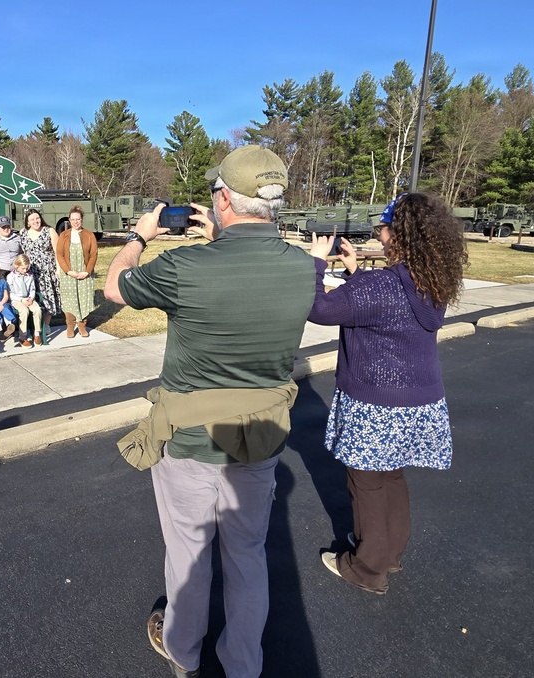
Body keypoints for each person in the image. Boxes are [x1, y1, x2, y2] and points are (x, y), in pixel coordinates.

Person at [104, 145, 315, 678]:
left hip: (190, 440)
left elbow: (114, 287)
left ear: (223, 200)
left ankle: (183, 650)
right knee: (248, 556)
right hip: (262, 438)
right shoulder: (302, 267)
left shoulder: (184, 266)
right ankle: (243, 662)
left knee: (188, 555)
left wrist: (138, 238)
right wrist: (220, 239)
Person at [309, 192, 468, 595]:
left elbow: (321, 310)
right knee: (391, 475)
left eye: (382, 227)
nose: (378, 234)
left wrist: (315, 262)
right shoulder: (430, 280)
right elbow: (382, 306)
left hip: (376, 403)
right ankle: (389, 552)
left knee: (367, 483)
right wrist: (355, 271)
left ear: (398, 234)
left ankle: (367, 568)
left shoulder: (380, 285)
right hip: (420, 400)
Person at [56, 205, 98, 338]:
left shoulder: (89, 235)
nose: (75, 222)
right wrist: (68, 271)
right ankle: (70, 326)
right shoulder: (64, 235)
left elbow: (93, 255)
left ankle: (82, 326)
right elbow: (59, 255)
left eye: (78, 219)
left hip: (84, 273)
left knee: (83, 299)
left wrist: (87, 271)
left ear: (82, 220)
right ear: (69, 220)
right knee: (70, 300)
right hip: (69, 274)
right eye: (73, 219)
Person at [18, 208, 62, 320]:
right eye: (32, 219)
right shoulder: (23, 233)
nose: (35, 221)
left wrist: (58, 269)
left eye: (37, 218)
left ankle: (46, 324)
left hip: (47, 271)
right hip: (30, 271)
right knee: (33, 297)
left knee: (48, 298)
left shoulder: (49, 231)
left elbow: (58, 251)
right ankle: (34, 324)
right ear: (28, 222)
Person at [6, 254, 43, 348]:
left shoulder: (29, 276)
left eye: (26, 268)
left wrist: (31, 298)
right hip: (17, 299)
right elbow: (10, 293)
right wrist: (21, 300)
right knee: (24, 311)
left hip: (28, 298)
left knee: (37, 310)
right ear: (17, 266)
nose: (25, 270)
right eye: (23, 268)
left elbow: (32, 289)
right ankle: (22, 336)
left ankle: (37, 333)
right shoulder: (11, 277)